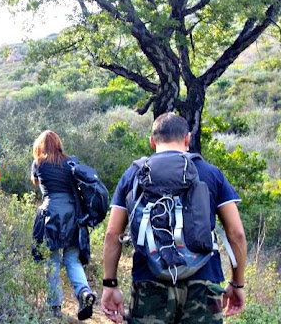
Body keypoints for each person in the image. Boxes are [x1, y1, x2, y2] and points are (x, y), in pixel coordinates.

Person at [101, 113, 247, 324]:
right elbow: (236, 233)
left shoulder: (134, 174)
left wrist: (110, 284)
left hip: (149, 280)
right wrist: (237, 284)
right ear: (187, 139)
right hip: (204, 281)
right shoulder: (211, 173)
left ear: (152, 141)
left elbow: (112, 234)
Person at [30, 130, 96, 319]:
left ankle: (54, 307)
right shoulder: (71, 161)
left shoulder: (38, 163)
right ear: (59, 144)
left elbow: (35, 182)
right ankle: (84, 292)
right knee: (72, 260)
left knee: (51, 263)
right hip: (73, 216)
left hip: (50, 215)